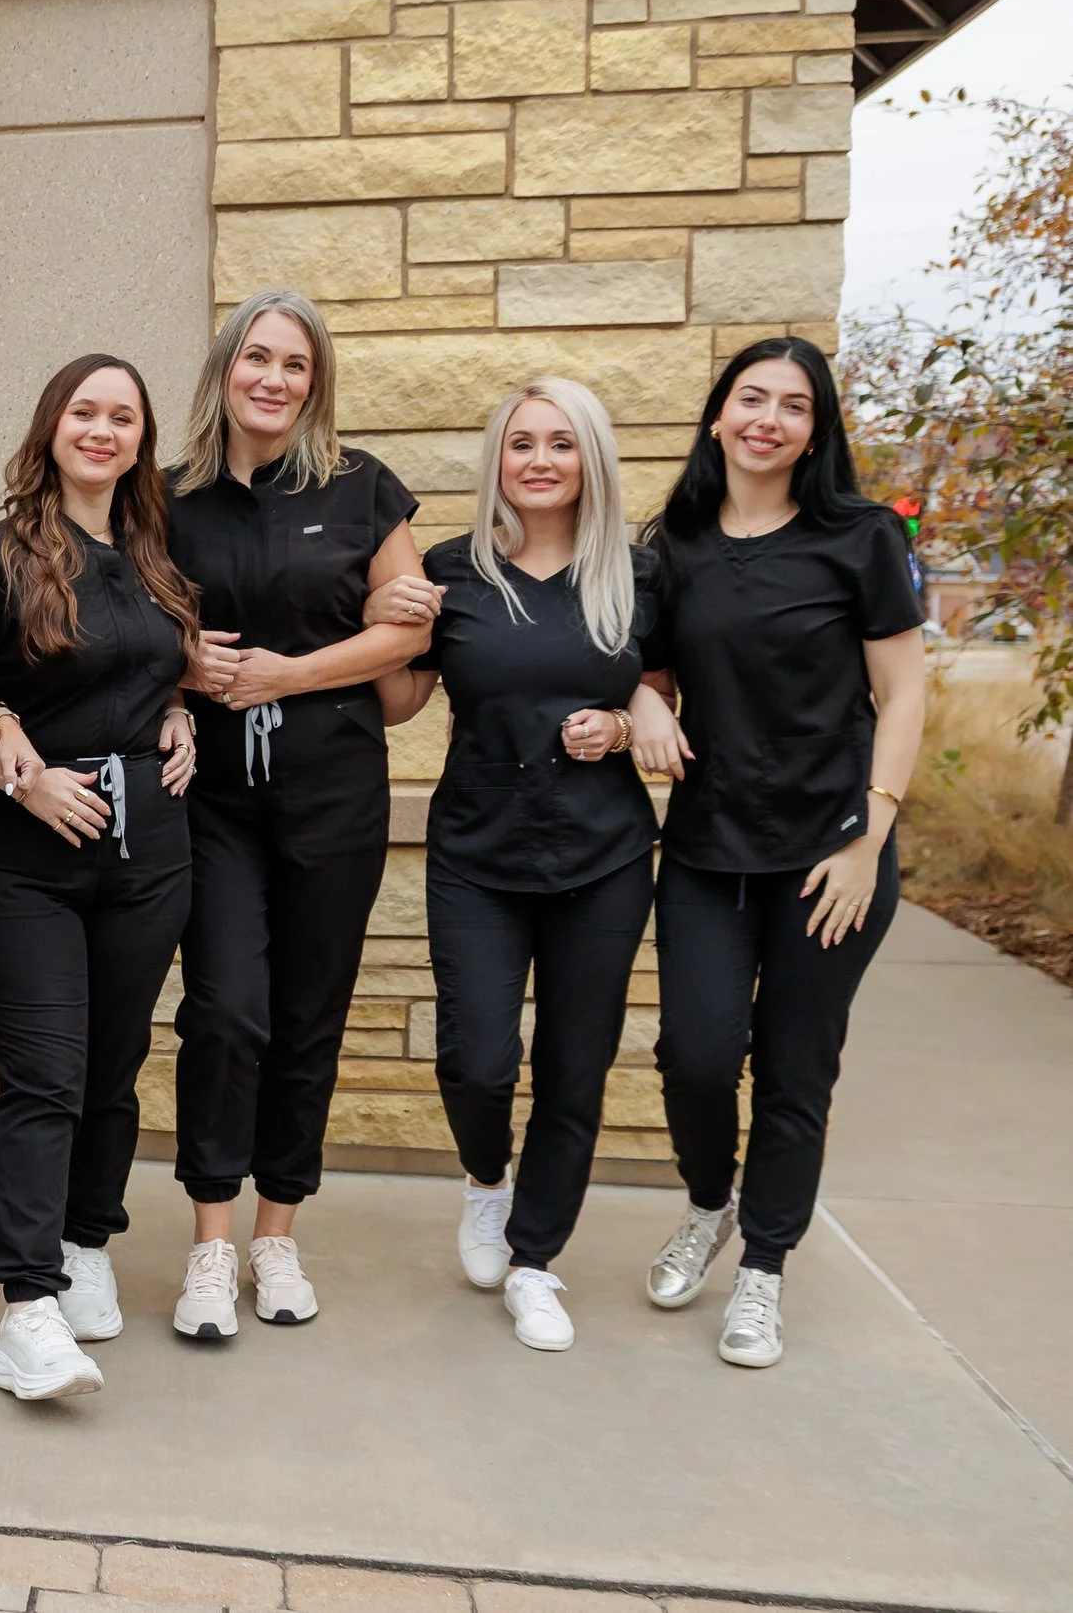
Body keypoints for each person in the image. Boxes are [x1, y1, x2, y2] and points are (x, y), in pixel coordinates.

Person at [0, 354, 199, 1403]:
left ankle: (85, 1242)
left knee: (114, 1066)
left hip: (149, 854)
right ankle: (26, 1304)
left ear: (141, 440)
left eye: (123, 416)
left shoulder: (156, 552)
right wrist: (15, 776)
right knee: (44, 1074)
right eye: (85, 411)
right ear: (51, 426)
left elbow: (156, 667)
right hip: (29, 857)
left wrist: (179, 710)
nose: (102, 430)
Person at [628, 336, 925, 1368]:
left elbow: (902, 693)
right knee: (696, 1055)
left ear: (815, 430)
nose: (768, 419)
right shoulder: (673, 544)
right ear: (718, 415)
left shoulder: (860, 536)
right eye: (751, 398)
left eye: (793, 405)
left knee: (796, 1066)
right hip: (708, 847)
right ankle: (710, 1203)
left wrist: (869, 836)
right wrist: (643, 704)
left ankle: (763, 1264)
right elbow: (648, 669)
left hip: (831, 853)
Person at [367, 379, 664, 1352]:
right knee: (476, 1060)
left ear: (591, 459)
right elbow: (397, 703)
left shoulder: (637, 575)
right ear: (498, 459)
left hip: (604, 856)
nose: (540, 459)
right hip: (477, 853)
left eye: (561, 442)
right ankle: (486, 1180)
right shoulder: (454, 572)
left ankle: (536, 1261)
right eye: (521, 442)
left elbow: (669, 690)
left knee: (574, 1067)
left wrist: (623, 720)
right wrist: (382, 617)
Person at [161, 289, 430, 1337]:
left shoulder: (362, 488)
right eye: (257, 357)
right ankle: (209, 1242)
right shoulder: (167, 497)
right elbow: (128, 617)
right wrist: (181, 664)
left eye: (296, 364)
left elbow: (407, 632)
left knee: (309, 1013)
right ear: (225, 368)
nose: (273, 379)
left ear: (315, 384)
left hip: (334, 793)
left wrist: (291, 673)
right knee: (226, 1011)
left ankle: (275, 1234)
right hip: (213, 801)